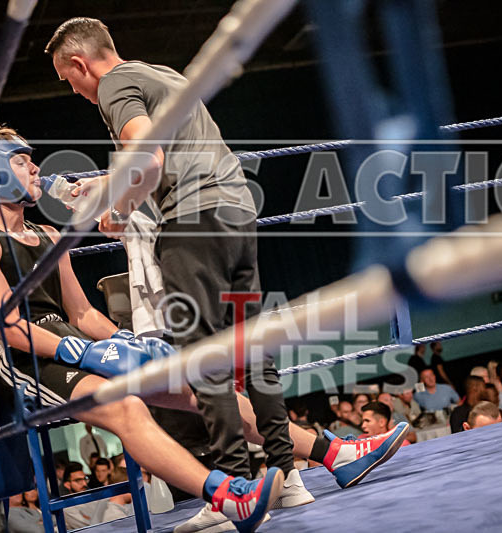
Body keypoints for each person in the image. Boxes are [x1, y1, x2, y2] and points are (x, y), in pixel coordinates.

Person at [0, 123, 409, 532]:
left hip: (69, 344)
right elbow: (10, 329)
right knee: (127, 407)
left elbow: (82, 315)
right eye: (21, 160)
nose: (35, 167)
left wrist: (124, 343)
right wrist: (81, 354)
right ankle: (228, 495)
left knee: (201, 389)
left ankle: (336, 455)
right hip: (23, 359)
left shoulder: (50, 237)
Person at [45, 18, 307, 532]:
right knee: (251, 348)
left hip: (193, 224)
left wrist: (119, 209)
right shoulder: (160, 74)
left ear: (80, 63)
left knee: (205, 357)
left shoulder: (116, 86)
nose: (71, 91)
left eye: (66, 78)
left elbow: (148, 155)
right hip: (236, 213)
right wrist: (104, 186)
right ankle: (287, 476)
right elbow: (174, 154)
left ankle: (233, 493)